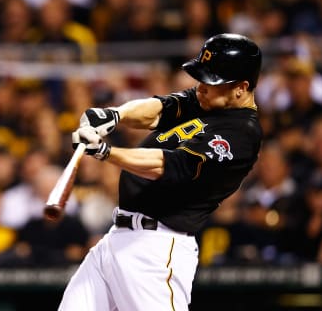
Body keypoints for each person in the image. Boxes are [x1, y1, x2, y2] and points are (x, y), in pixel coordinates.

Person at [59, 33, 263, 311]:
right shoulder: (206, 100)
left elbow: (169, 166)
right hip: (117, 239)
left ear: (241, 88)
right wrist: (115, 115)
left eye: (211, 81)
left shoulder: (241, 134)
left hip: (156, 249)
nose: (201, 87)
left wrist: (108, 153)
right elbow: (159, 109)